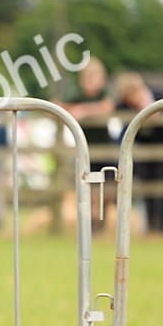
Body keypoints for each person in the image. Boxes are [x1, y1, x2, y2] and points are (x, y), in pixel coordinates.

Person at [59, 56, 117, 234]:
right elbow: (57, 104)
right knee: (89, 194)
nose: (91, 81)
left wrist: (83, 111)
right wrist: (72, 109)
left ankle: (101, 225)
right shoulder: (77, 95)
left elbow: (108, 106)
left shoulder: (104, 95)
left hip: (105, 152)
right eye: (88, 77)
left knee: (106, 193)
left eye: (95, 76)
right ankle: (90, 228)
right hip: (85, 153)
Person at [115, 72, 163, 235]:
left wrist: (154, 109)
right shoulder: (124, 105)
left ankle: (162, 227)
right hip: (143, 153)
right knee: (147, 189)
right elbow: (119, 116)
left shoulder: (160, 96)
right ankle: (152, 227)